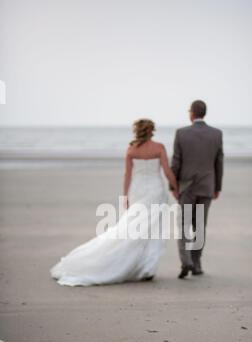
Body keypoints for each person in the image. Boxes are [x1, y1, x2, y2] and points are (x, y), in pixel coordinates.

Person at [50, 119, 178, 286]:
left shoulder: (131, 150)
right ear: (151, 131)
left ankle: (140, 266)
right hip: (155, 191)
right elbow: (167, 171)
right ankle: (147, 269)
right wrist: (176, 188)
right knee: (153, 231)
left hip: (137, 191)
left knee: (131, 228)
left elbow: (127, 175)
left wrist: (125, 196)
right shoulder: (159, 147)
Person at [171, 100, 224, 279]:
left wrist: (173, 185)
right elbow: (219, 163)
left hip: (186, 188)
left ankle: (186, 261)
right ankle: (197, 264)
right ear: (204, 113)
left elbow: (176, 162)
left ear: (192, 113)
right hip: (206, 187)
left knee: (185, 225)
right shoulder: (216, 134)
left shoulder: (181, 133)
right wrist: (217, 187)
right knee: (200, 226)